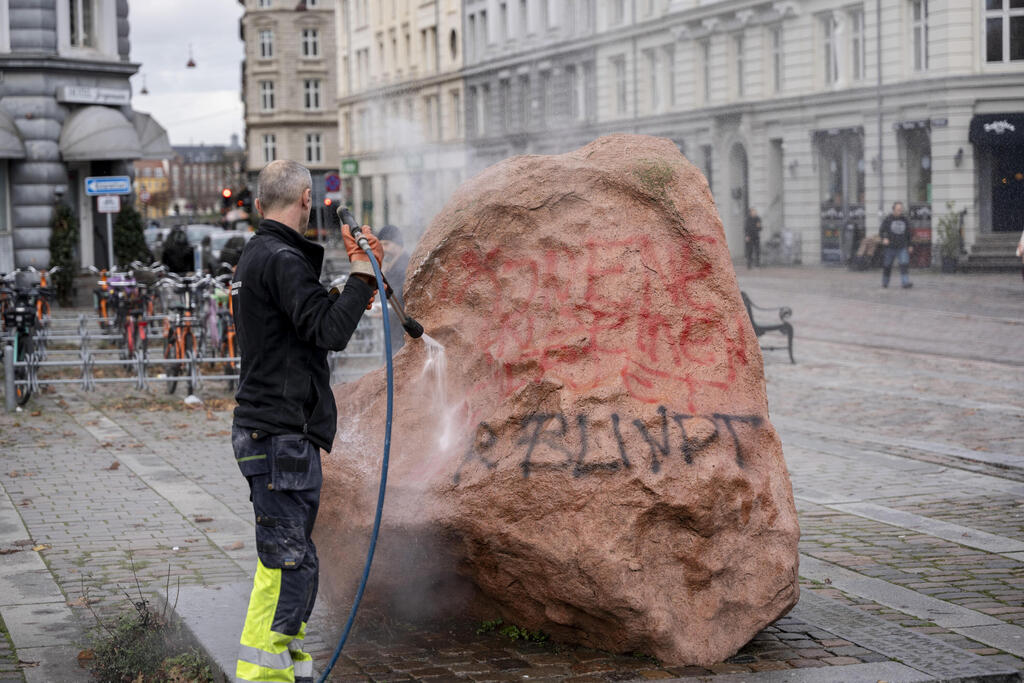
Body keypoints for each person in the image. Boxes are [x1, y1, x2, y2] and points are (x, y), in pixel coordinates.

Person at [229, 160, 382, 683]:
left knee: (282, 562)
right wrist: (363, 275)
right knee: (289, 567)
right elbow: (328, 333)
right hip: (279, 438)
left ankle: (285, 673)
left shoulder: (256, 254)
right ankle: (261, 678)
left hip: (267, 432)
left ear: (256, 204)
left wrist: (342, 294)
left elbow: (300, 327)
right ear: (305, 199)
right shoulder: (282, 259)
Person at [376, 224, 411, 353]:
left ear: (398, 244)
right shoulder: (392, 265)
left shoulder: (405, 264)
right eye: (381, 245)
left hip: (401, 331)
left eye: (386, 244)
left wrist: (386, 311)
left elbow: (403, 298)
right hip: (393, 328)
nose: (382, 249)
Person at [879, 201, 913, 289]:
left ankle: (905, 282)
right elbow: (882, 231)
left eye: (901, 210)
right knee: (887, 265)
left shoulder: (905, 220)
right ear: (893, 209)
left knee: (904, 264)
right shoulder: (888, 219)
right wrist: (884, 238)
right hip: (890, 247)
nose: (900, 211)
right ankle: (885, 282)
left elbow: (909, 233)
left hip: (902, 246)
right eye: (898, 210)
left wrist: (910, 245)